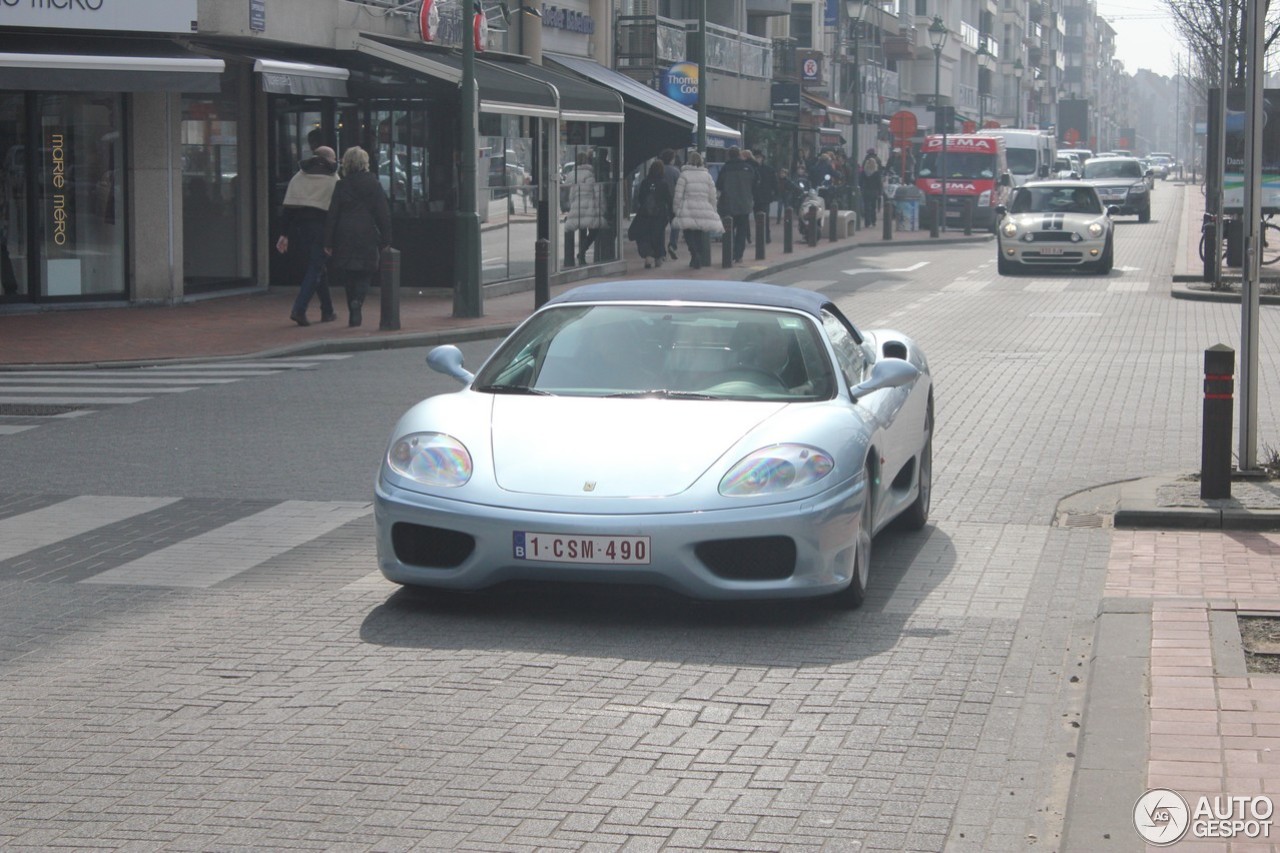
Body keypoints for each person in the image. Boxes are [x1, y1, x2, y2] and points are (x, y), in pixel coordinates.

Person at [324, 146, 391, 328]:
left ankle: (352, 307)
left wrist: (328, 241)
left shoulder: (341, 185)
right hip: (367, 231)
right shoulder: (374, 184)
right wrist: (386, 239)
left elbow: (333, 214)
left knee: (348, 272)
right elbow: (382, 213)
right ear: (365, 163)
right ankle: (358, 301)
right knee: (367, 270)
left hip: (344, 232)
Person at [276, 145, 339, 326]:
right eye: (334, 158)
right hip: (323, 229)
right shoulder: (333, 178)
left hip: (302, 229)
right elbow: (336, 210)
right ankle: (299, 309)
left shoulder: (299, 177)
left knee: (317, 267)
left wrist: (284, 234)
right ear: (329, 159)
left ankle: (327, 310)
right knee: (315, 268)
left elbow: (289, 207)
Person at [671, 150, 721, 270]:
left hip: (688, 207)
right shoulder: (707, 175)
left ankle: (694, 253)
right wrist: (713, 208)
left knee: (688, 233)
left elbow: (678, 194)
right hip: (703, 207)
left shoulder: (684, 175)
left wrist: (676, 208)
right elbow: (712, 194)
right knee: (699, 233)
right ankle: (697, 254)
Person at [563, 150, 605, 266]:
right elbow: (594, 191)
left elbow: (569, 191)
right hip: (588, 206)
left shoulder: (572, 174)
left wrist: (571, 204)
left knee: (582, 231)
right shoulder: (589, 174)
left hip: (576, 206)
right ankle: (582, 253)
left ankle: (580, 257)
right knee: (595, 230)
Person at [715, 147, 755, 263]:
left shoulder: (725, 169)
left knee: (728, 230)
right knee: (742, 231)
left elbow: (719, 185)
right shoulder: (748, 168)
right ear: (738, 155)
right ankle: (739, 255)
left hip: (728, 204)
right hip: (744, 204)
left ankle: (730, 252)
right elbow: (755, 182)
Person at [629, 160, 672, 269]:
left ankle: (648, 257)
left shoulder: (645, 182)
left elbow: (640, 198)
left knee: (645, 236)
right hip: (660, 215)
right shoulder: (664, 183)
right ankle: (658, 258)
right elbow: (668, 199)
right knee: (658, 236)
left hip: (645, 215)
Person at [660, 149, 682, 260]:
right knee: (675, 225)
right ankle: (672, 245)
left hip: (660, 203)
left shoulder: (659, 169)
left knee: (660, 228)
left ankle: (661, 252)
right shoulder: (675, 171)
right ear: (671, 159)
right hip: (673, 203)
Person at [752, 151, 777, 244]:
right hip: (755, 197)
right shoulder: (752, 169)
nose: (758, 159)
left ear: (762, 158)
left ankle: (766, 237)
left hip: (765, 197)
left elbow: (774, 182)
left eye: (759, 157)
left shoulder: (769, 169)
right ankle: (760, 237)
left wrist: (774, 193)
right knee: (757, 218)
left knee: (765, 218)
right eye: (756, 157)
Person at [860, 148, 883, 227]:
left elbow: (861, 181)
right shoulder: (877, 173)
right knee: (873, 207)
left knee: (867, 207)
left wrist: (861, 188)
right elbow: (879, 183)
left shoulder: (864, 171)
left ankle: (867, 222)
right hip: (874, 191)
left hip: (866, 191)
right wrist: (880, 192)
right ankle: (873, 221)